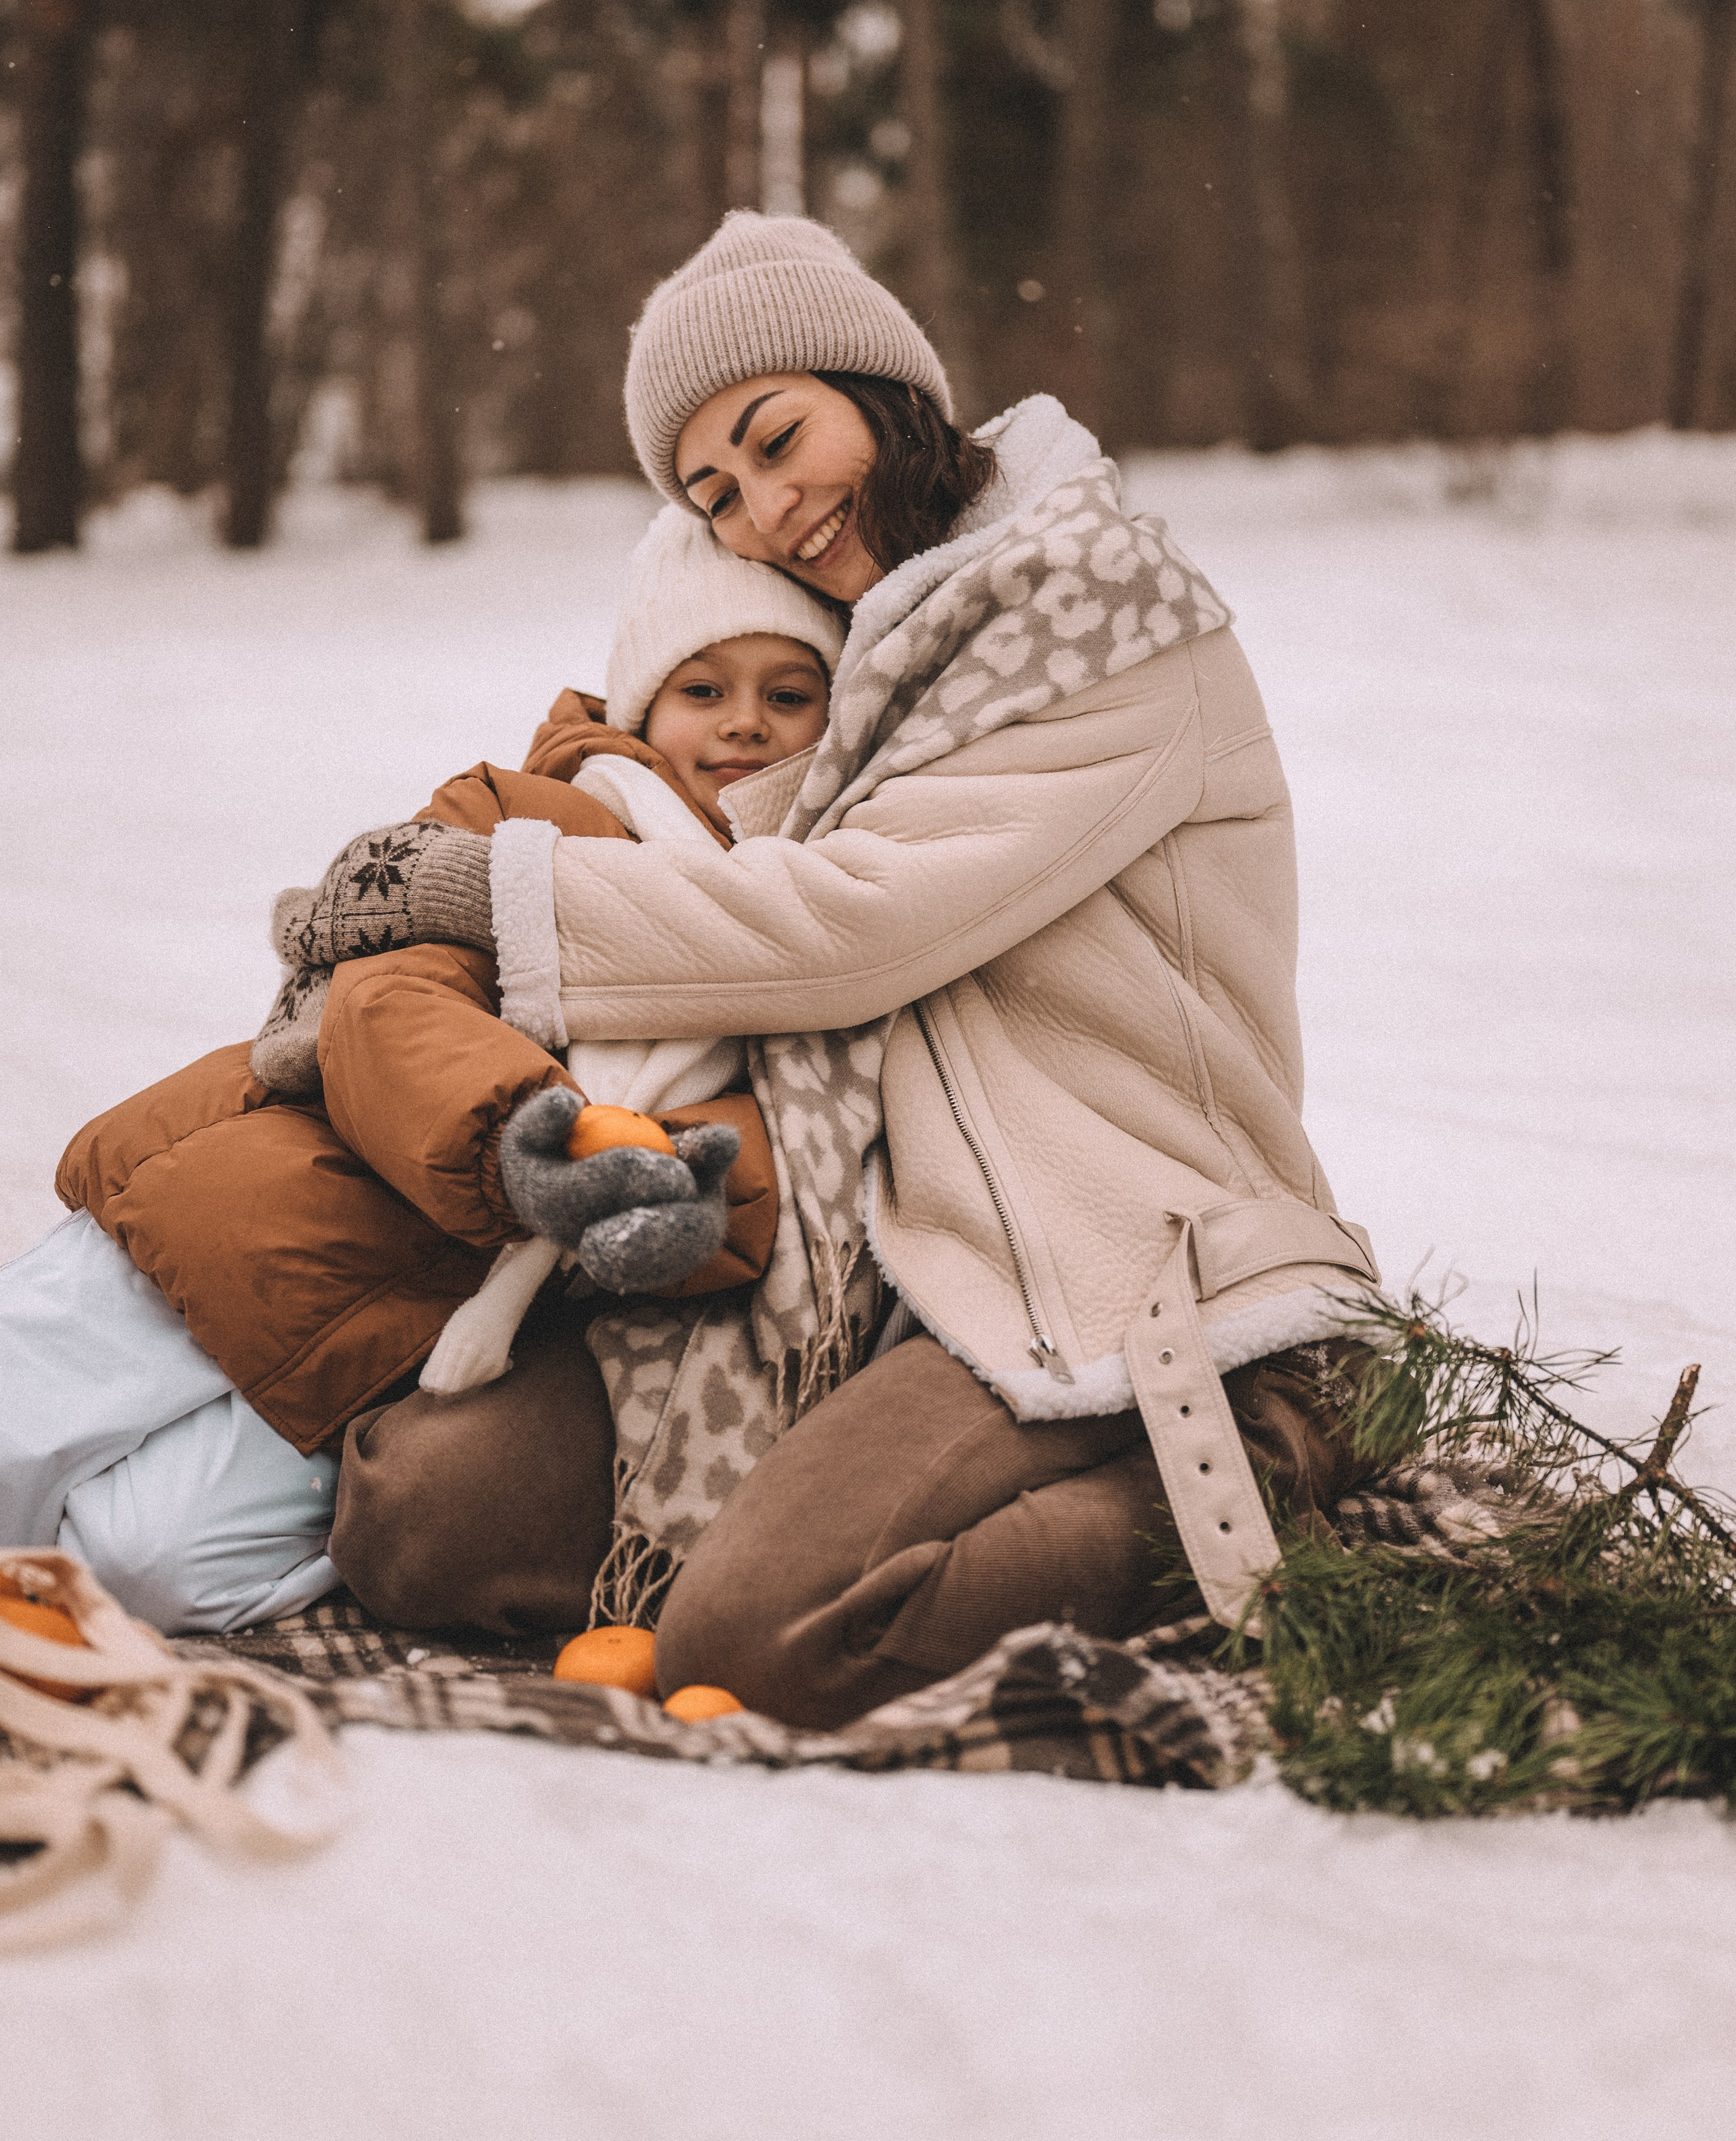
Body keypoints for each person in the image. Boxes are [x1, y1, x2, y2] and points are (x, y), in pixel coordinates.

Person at [305, 210, 1389, 1728]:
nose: (766, 510)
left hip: (1114, 1252)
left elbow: (845, 926)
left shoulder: (1098, 615)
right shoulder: (874, 649)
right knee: (422, 1516)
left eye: (775, 439)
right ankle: (802, 1518)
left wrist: (492, 892)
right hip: (859, 1255)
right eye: (715, 495)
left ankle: (1264, 1457)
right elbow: (712, 828)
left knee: (760, 1642)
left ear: (882, 388)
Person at [5, 511, 843, 1633]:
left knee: (151, 1566)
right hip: (257, 1208)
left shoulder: (826, 927)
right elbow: (388, 997)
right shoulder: (527, 816)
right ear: (644, 705)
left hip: (407, 1336)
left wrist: (691, 1208)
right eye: (705, 690)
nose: (745, 722)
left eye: (789, 694)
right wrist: (523, 1139)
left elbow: (782, 1141)